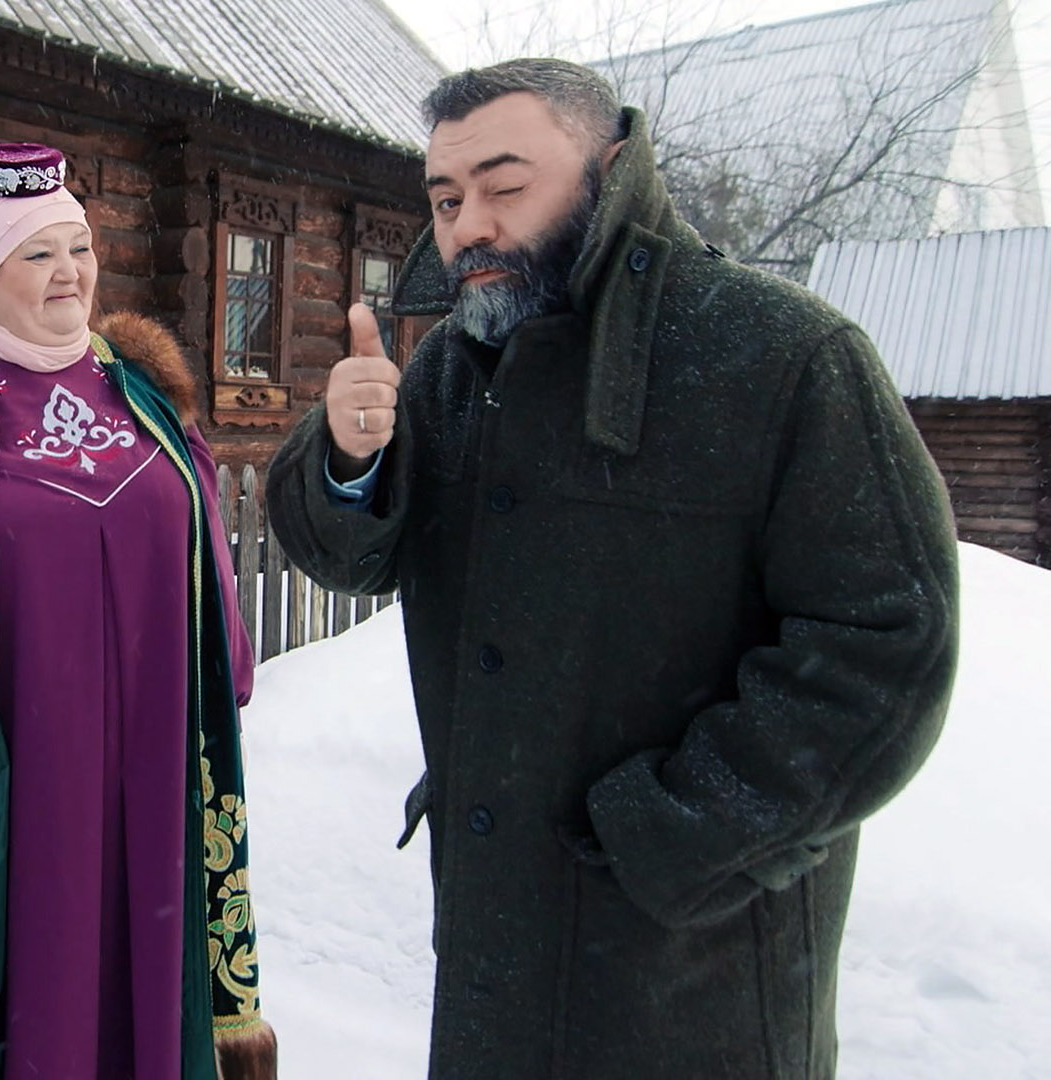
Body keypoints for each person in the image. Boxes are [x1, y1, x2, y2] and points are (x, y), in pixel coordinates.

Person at [267, 59, 959, 1079]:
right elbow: (348, 558)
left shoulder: (782, 355)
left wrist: (668, 832)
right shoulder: (452, 369)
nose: (468, 228)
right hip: (493, 947)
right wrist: (349, 459)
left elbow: (886, 643)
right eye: (446, 201)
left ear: (614, 168)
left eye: (506, 187)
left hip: (693, 970)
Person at [0, 144, 275, 1079]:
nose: (69, 272)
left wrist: (226, 669)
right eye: (37, 254)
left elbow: (207, 545)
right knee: (18, 991)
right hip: (1, 775)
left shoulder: (144, 382)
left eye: (80, 248)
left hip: (155, 765)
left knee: (147, 978)